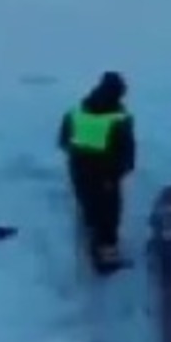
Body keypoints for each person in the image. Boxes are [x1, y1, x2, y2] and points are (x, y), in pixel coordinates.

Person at [58, 71, 136, 273]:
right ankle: (106, 255)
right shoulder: (119, 117)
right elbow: (126, 148)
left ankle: (93, 234)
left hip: (79, 170)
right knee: (109, 213)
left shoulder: (76, 111)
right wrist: (123, 169)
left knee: (89, 205)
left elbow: (63, 140)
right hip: (107, 174)